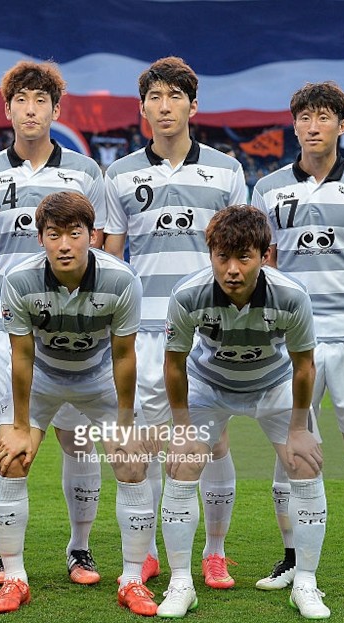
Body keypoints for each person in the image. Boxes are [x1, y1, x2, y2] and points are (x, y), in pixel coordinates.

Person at [103, 56, 247, 590]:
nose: (165, 107)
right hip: (144, 332)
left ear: (193, 104)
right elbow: (114, 260)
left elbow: (242, 254)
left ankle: (214, 552)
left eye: (175, 96)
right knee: (138, 446)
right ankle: (143, 555)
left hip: (208, 330)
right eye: (155, 97)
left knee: (211, 444)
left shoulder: (228, 171)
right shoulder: (118, 174)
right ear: (142, 108)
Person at [0, 60, 108, 587]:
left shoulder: (87, 173)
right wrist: (4, 291)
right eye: (21, 100)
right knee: (10, 443)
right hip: (10, 332)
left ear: (55, 109)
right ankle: (7, 559)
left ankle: (81, 549)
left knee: (80, 442)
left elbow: (107, 242)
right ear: (8, 110)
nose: (31, 109)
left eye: (40, 100)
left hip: (76, 332)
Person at [252, 81, 344, 596]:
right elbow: (264, 265)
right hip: (293, 343)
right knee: (289, 453)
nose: (313, 126)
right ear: (294, 125)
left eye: (324, 117)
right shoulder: (267, 188)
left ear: (342, 125)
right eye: (304, 117)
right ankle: (290, 557)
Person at [162, 204, 329, 619]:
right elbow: (174, 363)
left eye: (244, 257)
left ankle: (306, 583)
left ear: (265, 255)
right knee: (182, 467)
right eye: (223, 257)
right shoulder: (187, 295)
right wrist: (182, 429)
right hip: (209, 385)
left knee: (304, 464)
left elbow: (305, 364)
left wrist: (299, 428)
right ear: (211, 255)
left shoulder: (292, 297)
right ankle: (180, 582)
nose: (232, 269)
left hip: (273, 385)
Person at [0, 191, 154, 615]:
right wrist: (22, 427)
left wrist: (123, 423)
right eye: (53, 234)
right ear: (41, 239)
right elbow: (22, 356)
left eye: (74, 233)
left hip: (96, 376)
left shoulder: (121, 280)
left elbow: (123, 356)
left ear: (91, 235)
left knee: (132, 462)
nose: (64, 244)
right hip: (44, 376)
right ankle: (14, 578)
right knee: (11, 459)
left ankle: (133, 580)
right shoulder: (19, 281)